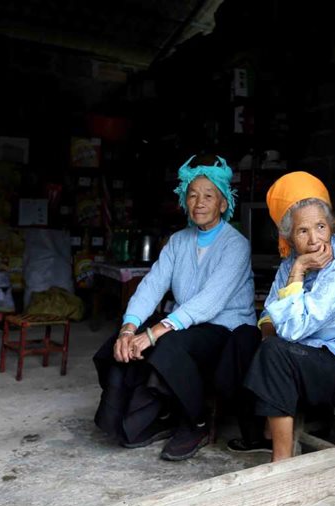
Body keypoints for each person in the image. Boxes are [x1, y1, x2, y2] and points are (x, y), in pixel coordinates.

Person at [93, 154, 256, 461]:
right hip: (185, 322)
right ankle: (143, 418)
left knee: (167, 346)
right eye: (192, 195)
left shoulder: (236, 244)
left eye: (209, 196)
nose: (199, 202)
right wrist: (129, 328)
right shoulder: (178, 241)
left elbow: (210, 301)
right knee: (119, 344)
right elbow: (152, 285)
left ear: (223, 204)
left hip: (225, 328)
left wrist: (154, 333)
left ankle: (196, 422)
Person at [227, 171, 335, 462]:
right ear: (289, 235)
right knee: (242, 338)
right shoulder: (289, 261)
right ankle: (257, 434)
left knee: (274, 351)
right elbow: (268, 314)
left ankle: (281, 461)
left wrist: (298, 271)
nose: (314, 240)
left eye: (321, 226)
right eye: (303, 231)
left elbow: (294, 329)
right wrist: (267, 333)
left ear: (332, 226)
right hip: (300, 358)